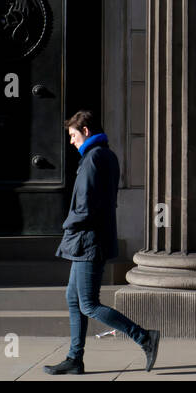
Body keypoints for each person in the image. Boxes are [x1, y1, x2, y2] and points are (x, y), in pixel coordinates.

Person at [43, 110, 160, 375]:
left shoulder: (93, 158)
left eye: (73, 135)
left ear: (85, 132)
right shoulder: (104, 155)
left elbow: (86, 208)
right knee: (73, 298)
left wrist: (65, 224)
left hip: (88, 242)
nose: (71, 141)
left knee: (88, 304)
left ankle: (144, 337)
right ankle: (75, 358)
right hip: (89, 240)